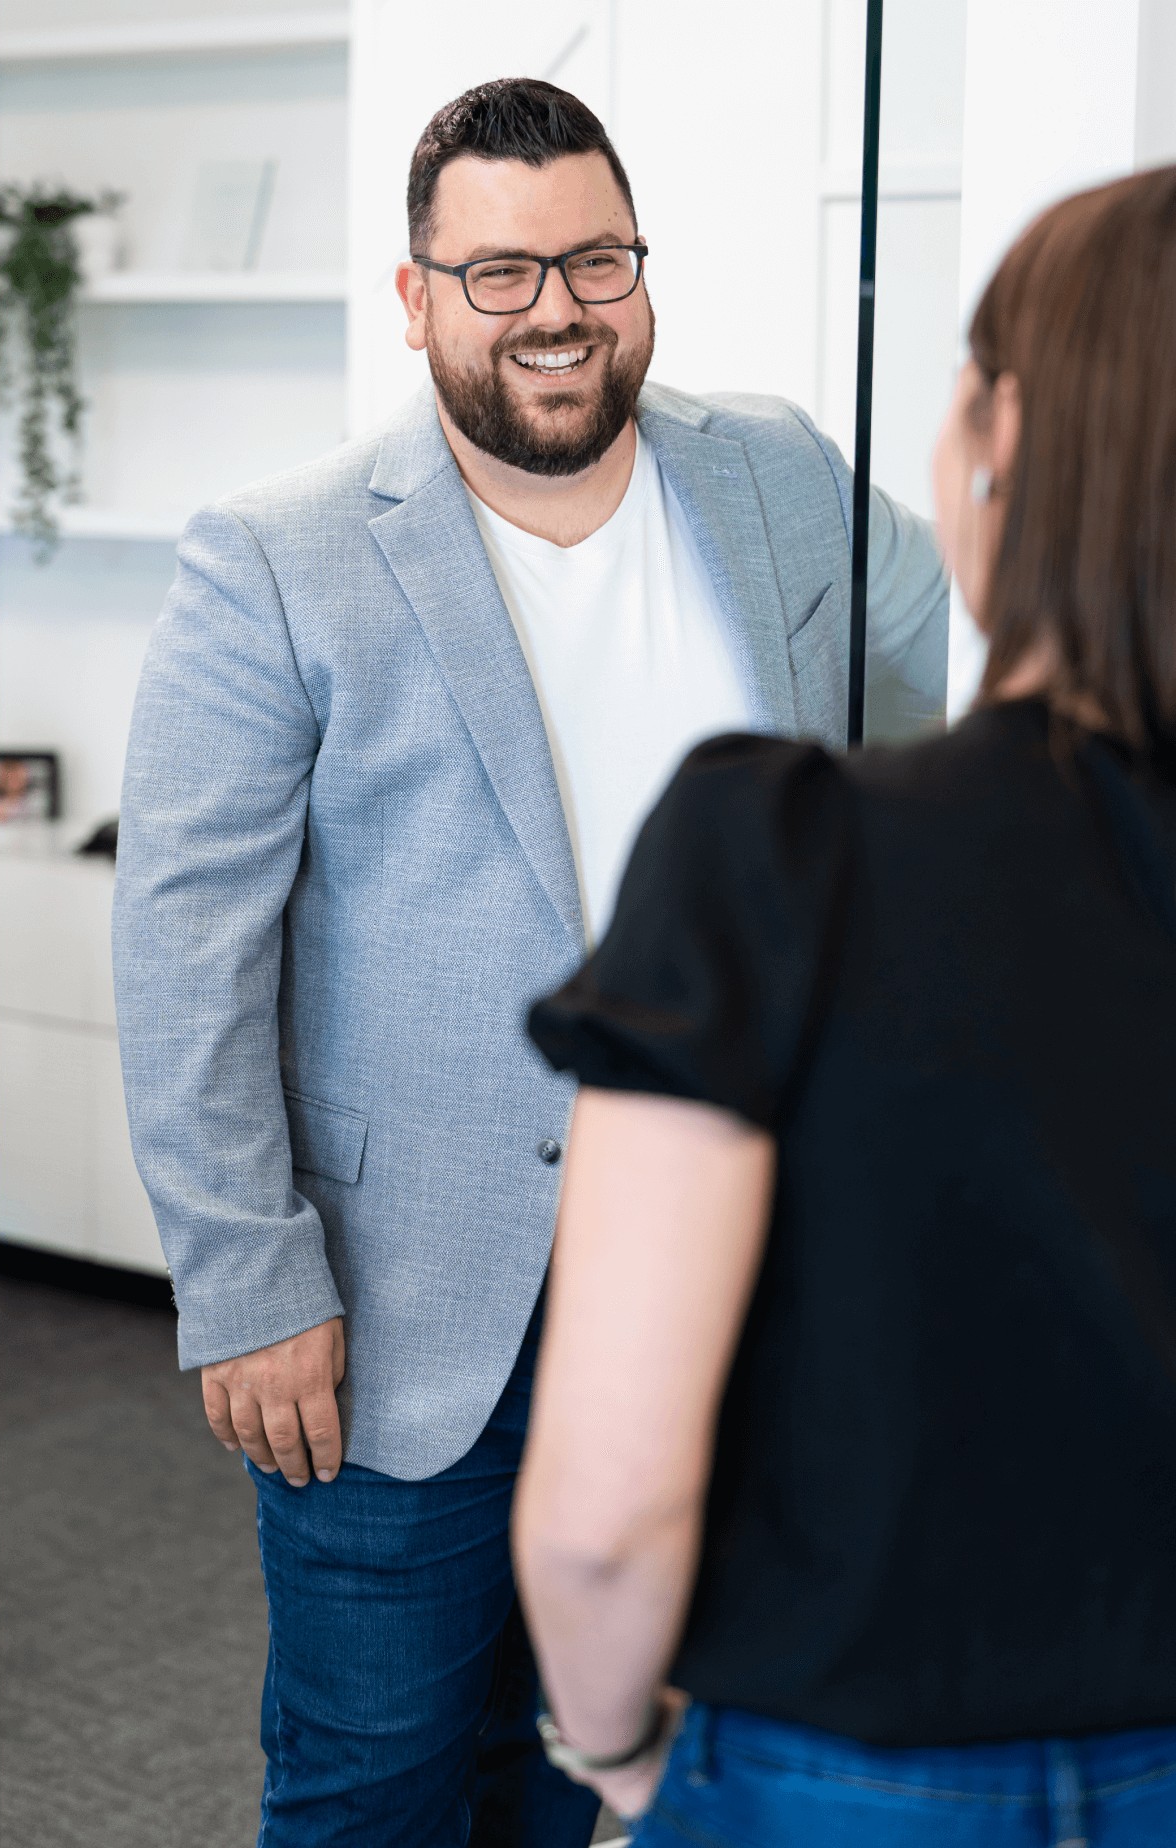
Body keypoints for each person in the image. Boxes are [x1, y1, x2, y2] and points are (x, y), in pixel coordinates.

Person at [112, 77, 945, 1847]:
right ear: (416, 297)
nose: (556, 307)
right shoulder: (282, 557)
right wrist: (248, 1278)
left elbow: (978, 683)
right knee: (373, 1786)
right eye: (498, 273)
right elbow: (188, 951)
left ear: (641, 271)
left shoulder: (780, 472)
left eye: (595, 259)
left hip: (724, 1287)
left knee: (583, 1774)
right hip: (402, 1302)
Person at [518, 164, 1176, 1846]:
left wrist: (615, 1756)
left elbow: (603, 1510)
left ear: (997, 441)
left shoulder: (780, 852)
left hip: (851, 1777)